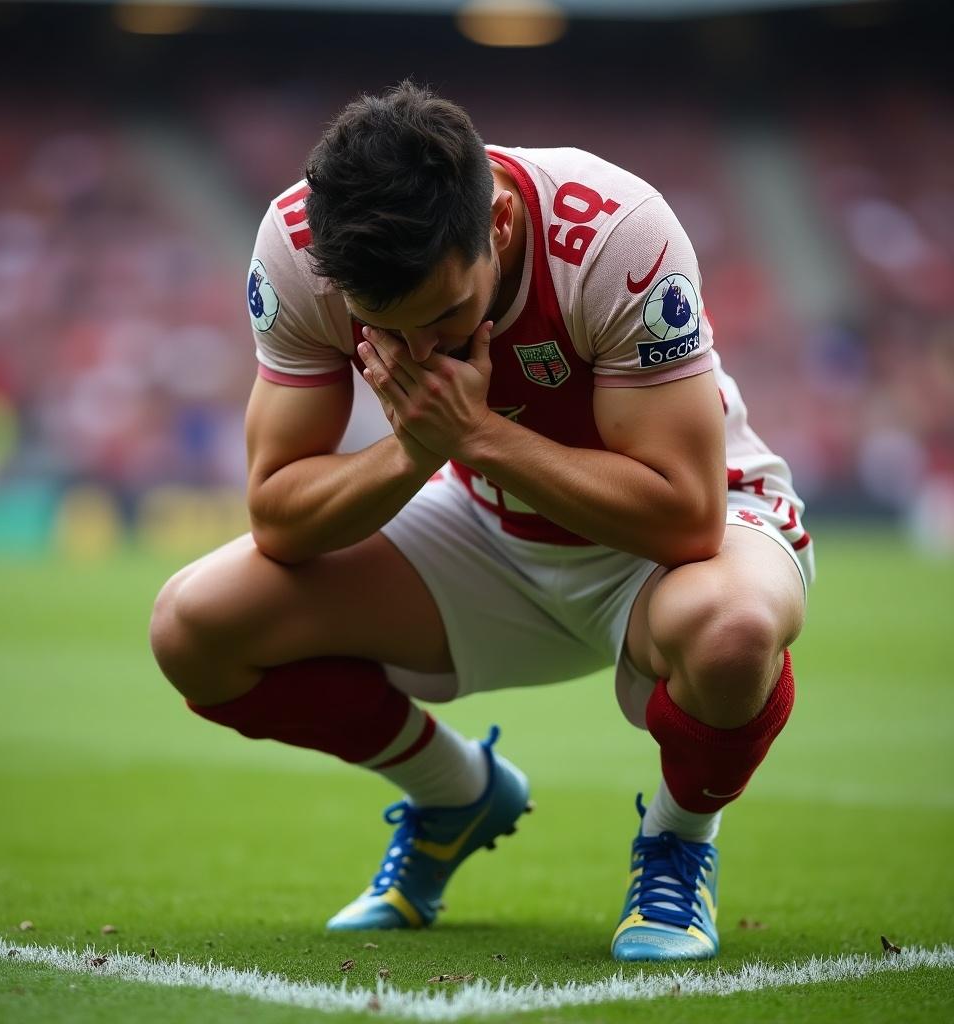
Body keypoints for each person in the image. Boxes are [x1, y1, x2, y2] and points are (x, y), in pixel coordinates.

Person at [149, 82, 813, 962]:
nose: (423, 354)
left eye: (446, 317)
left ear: (498, 226)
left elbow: (686, 517)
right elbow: (279, 515)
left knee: (731, 632)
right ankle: (455, 793)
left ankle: (678, 843)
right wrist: (422, 451)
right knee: (193, 625)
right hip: (485, 524)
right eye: (387, 330)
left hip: (681, 542)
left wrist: (475, 434)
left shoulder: (614, 235)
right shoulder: (296, 248)